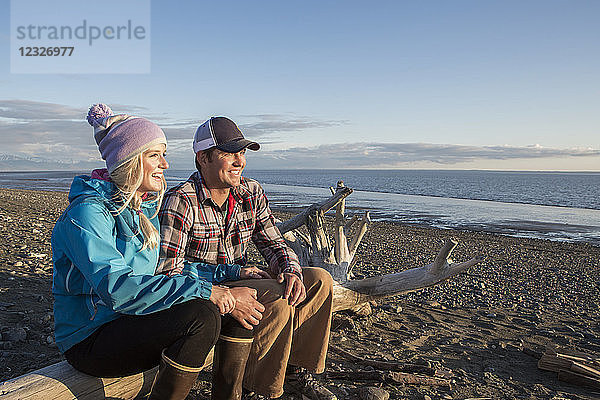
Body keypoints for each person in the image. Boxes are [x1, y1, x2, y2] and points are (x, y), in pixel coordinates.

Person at [52, 105, 267, 400]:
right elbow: (118, 288)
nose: (165, 165)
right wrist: (206, 291)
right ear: (128, 161)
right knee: (201, 314)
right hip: (90, 338)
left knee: (237, 306)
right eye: (155, 155)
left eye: (163, 154)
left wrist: (230, 275)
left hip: (130, 320)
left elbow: (167, 270)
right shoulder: (88, 214)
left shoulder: (141, 208)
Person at [157, 116, 334, 399]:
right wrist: (231, 274)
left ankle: (295, 372)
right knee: (276, 298)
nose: (240, 161)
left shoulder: (250, 192)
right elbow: (168, 271)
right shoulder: (181, 200)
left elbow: (273, 242)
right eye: (229, 154)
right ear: (203, 158)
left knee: (319, 280)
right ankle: (257, 387)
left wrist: (290, 270)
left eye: (242, 153)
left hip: (242, 279)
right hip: (204, 293)